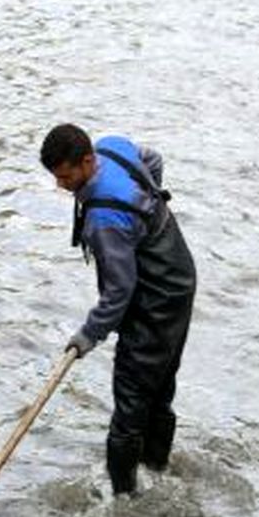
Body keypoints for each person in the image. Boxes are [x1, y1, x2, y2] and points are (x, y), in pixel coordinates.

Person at [40, 124, 197, 495]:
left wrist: (87, 335)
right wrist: (147, 215)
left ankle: (124, 502)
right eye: (56, 177)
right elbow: (152, 158)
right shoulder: (113, 148)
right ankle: (158, 471)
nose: (62, 186)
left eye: (66, 177)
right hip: (180, 278)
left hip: (155, 303)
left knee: (129, 406)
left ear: (88, 160)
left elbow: (119, 292)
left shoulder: (106, 219)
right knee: (159, 389)